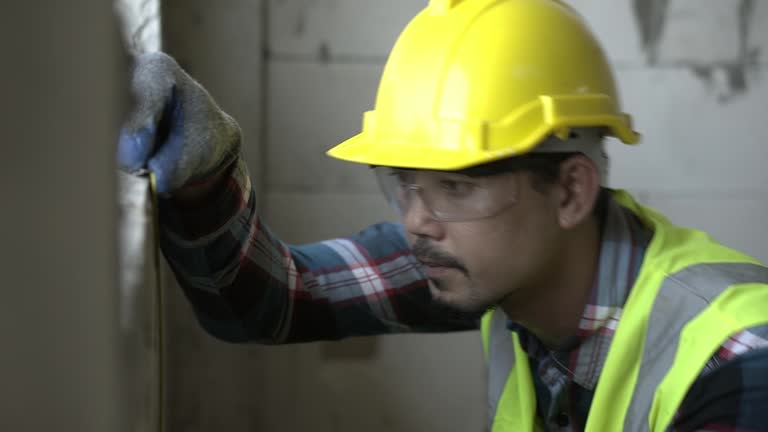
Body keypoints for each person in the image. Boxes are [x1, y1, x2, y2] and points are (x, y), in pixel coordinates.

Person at [118, 0, 768, 430]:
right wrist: (202, 173)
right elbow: (271, 300)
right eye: (405, 184)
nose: (419, 221)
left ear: (571, 191)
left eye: (457, 186)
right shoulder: (497, 258)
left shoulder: (736, 363)